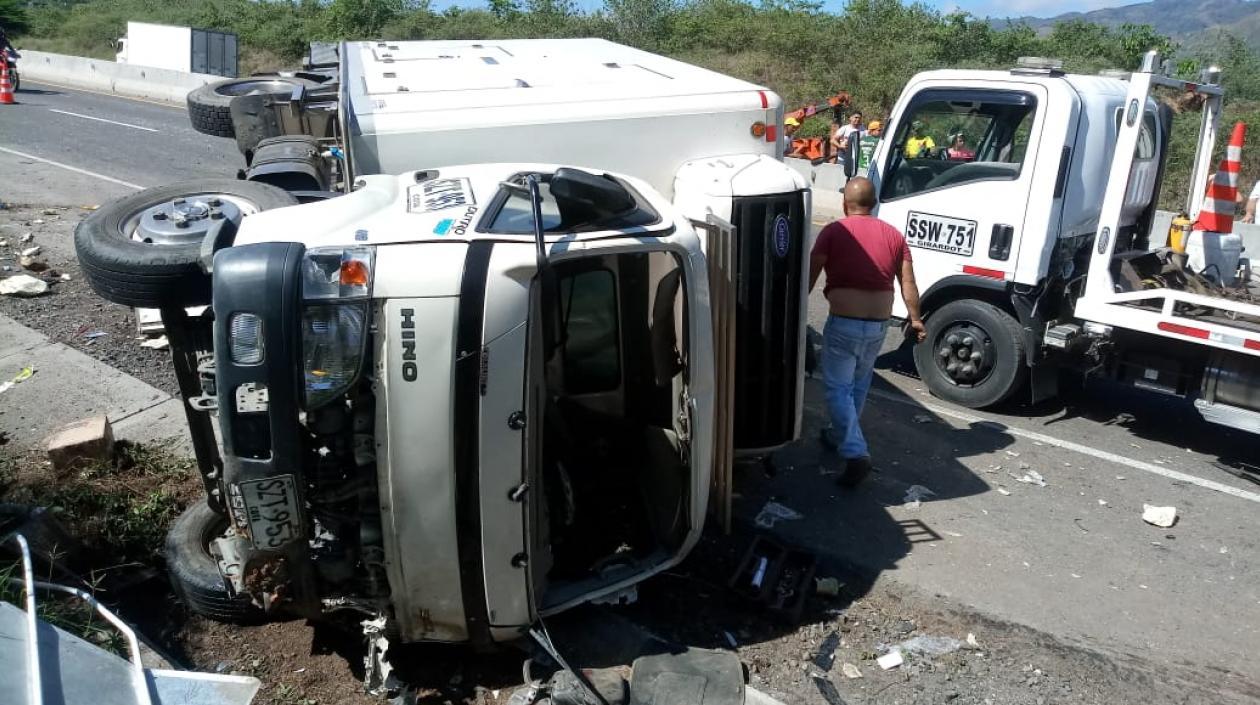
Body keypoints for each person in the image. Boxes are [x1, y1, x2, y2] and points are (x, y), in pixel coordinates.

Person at [808, 177, 926, 486]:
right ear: (873, 204)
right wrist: (916, 319)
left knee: (837, 388)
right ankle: (837, 435)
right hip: (877, 326)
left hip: (845, 323)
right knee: (858, 385)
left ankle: (855, 452)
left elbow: (811, 272)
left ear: (844, 203)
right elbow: (908, 283)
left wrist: (794, 309)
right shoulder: (893, 235)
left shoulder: (835, 230)